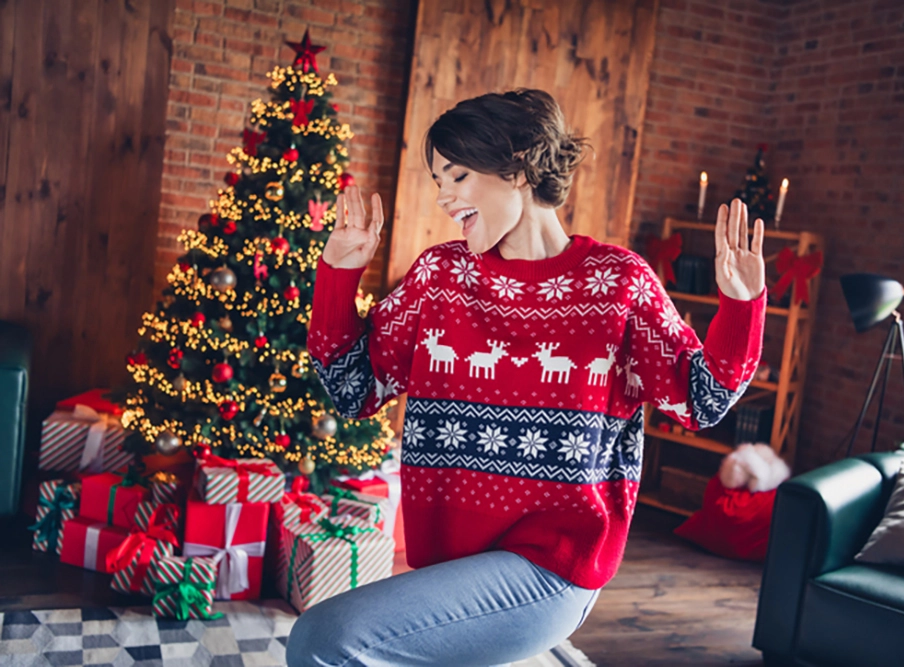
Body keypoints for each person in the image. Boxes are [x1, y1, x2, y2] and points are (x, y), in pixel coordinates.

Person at [286, 89, 766, 667]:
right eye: (438, 180)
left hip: (554, 564)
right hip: (449, 565)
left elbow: (701, 400)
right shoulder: (440, 276)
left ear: (517, 166)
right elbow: (353, 387)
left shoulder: (618, 283)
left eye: (457, 176)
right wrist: (338, 271)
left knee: (323, 640)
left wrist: (741, 307)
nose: (443, 198)